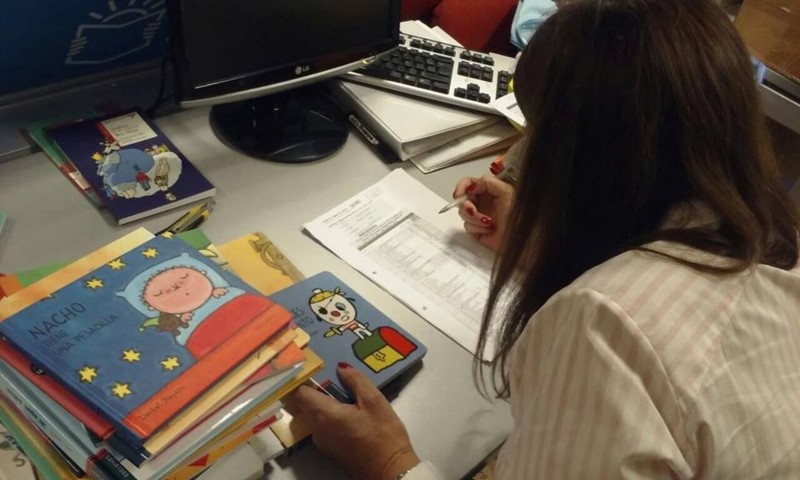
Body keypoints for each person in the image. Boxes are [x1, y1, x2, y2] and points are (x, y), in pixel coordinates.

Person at [289, 0, 800, 478]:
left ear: (584, 160)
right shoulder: (774, 237)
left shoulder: (605, 325)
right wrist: (546, 240)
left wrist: (389, 460)